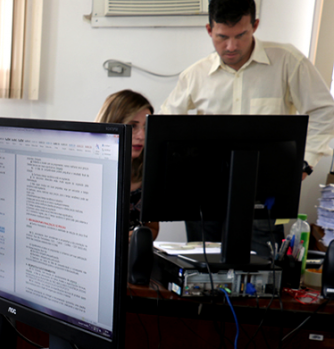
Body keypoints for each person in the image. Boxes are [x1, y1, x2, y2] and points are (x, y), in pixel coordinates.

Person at [160, 0, 334, 257]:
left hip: (264, 191)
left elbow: (325, 111)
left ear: (255, 26)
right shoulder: (195, 75)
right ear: (209, 30)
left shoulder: (287, 61)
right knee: (202, 266)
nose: (231, 46)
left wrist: (304, 162)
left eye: (240, 35)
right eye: (222, 37)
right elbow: (165, 127)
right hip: (206, 191)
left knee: (262, 268)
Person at [95, 89, 160, 240]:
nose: (141, 136)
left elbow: (152, 228)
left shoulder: (148, 171)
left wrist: (135, 238)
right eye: (133, 126)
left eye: (145, 127)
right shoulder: (90, 172)